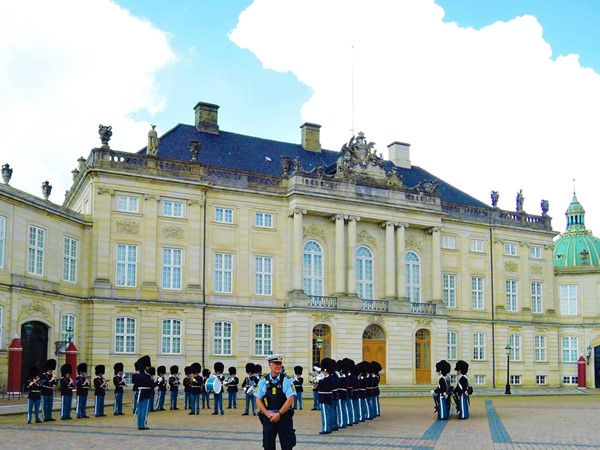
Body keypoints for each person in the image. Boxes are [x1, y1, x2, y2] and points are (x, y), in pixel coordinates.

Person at [255, 354, 297, 450]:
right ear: (269, 365)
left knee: (287, 445)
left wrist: (279, 414)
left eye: (280, 363)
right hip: (268, 418)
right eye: (275, 363)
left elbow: (290, 399)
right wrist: (267, 413)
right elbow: (258, 399)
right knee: (268, 445)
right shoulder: (263, 380)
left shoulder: (286, 380)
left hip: (284, 417)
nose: (278, 366)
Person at [135, 355, 153, 430]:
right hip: (146, 393)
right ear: (145, 367)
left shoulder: (137, 376)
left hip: (139, 393)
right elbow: (152, 385)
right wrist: (158, 382)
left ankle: (139, 425)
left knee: (140, 410)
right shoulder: (147, 376)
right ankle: (143, 425)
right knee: (144, 411)